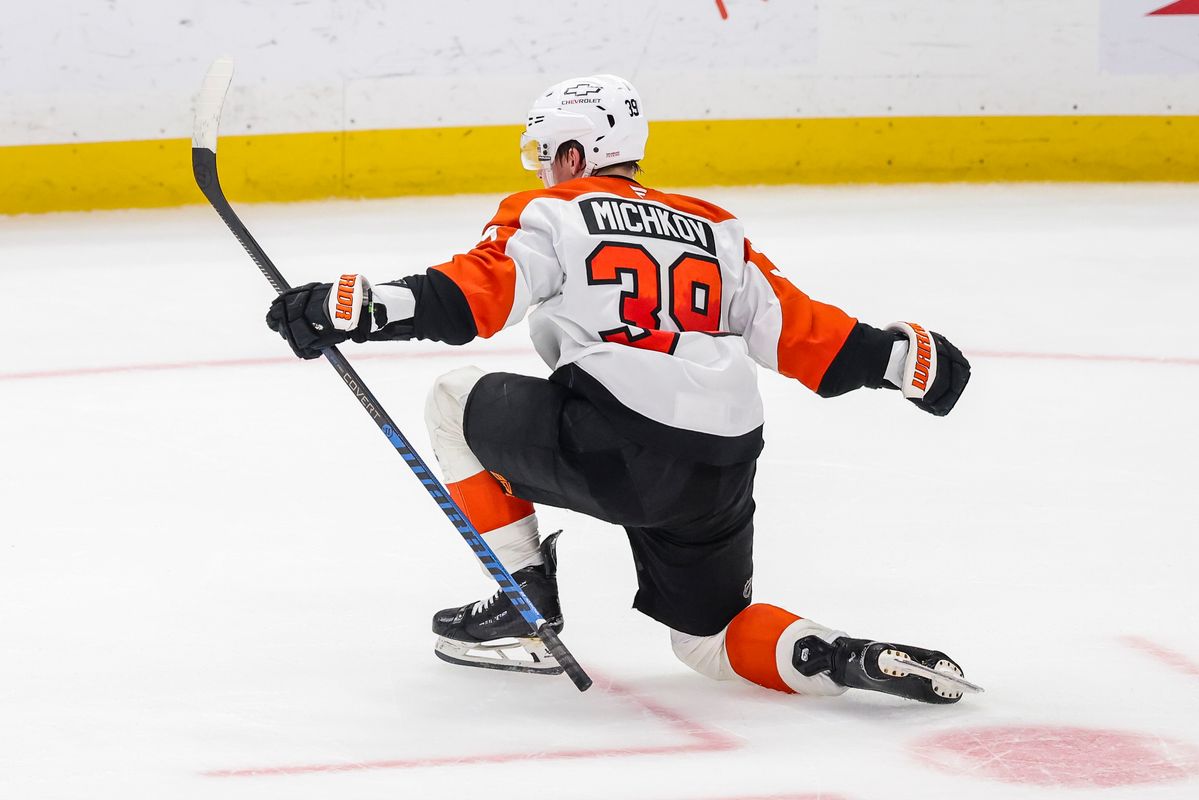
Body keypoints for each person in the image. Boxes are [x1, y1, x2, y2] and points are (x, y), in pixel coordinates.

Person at [266, 75, 974, 703]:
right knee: (708, 639)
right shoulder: (714, 229)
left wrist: (353, 307)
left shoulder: (555, 212)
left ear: (575, 155)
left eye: (548, 155)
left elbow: (469, 299)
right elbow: (809, 338)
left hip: (618, 446)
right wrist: (901, 358)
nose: (545, 171)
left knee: (454, 397)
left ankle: (525, 606)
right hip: (721, 467)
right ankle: (843, 658)